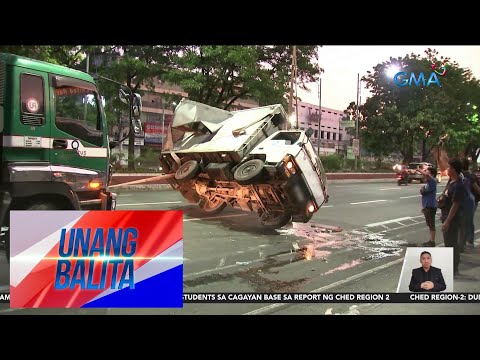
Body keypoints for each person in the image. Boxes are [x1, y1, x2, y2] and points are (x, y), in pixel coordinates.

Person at [439, 158, 465, 276]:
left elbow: (455, 204)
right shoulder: (451, 181)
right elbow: (446, 195)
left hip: (452, 219)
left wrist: (447, 222)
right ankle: (450, 266)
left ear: (454, 170)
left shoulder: (459, 185)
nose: (447, 169)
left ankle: (454, 269)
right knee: (447, 242)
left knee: (451, 244)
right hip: (446, 215)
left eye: (449, 167)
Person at [461, 158, 480, 249]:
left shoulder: (469, 176)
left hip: (471, 201)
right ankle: (463, 241)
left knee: (468, 220)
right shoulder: (460, 175)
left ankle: (469, 240)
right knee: (464, 221)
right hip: (463, 201)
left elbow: (477, 189)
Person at [417, 166, 438, 247]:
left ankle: (432, 241)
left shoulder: (433, 181)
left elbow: (423, 191)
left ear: (432, 174)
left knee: (431, 224)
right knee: (429, 224)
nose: (425, 175)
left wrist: (419, 170)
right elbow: (422, 191)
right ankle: (431, 240)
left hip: (431, 207)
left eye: (428, 173)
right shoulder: (428, 184)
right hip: (427, 207)